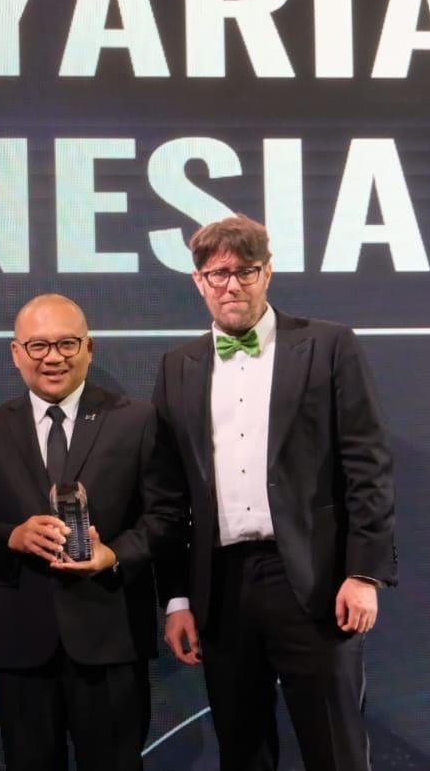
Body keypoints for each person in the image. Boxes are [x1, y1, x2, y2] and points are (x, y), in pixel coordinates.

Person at [151, 214, 398, 770]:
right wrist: (178, 599)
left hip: (314, 580)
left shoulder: (329, 345)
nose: (231, 285)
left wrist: (363, 573)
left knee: (335, 748)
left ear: (268, 273)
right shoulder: (176, 367)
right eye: (218, 274)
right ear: (198, 282)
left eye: (246, 271)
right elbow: (167, 496)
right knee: (242, 752)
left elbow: (368, 466)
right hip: (221, 587)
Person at [0, 293, 174, 771]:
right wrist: (11, 537)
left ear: (89, 348)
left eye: (66, 343)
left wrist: (113, 554)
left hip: (111, 636)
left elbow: (165, 517)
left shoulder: (136, 421)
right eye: (38, 346)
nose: (52, 357)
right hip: (22, 643)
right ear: (16, 353)